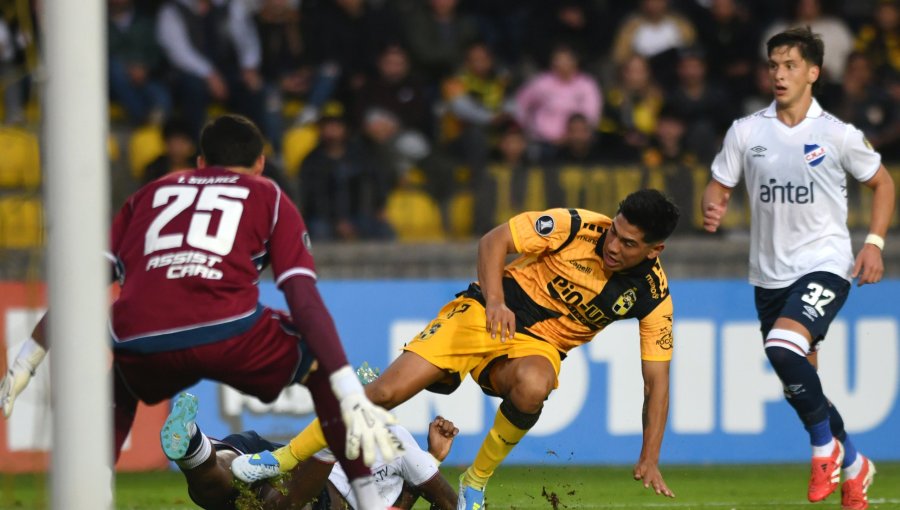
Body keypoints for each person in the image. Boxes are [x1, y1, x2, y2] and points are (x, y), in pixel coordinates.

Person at [0, 114, 401, 509]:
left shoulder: (148, 194)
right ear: (260, 164)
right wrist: (347, 384)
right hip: (228, 329)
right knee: (321, 373)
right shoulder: (269, 196)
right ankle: (367, 498)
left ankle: (96, 491)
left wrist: (25, 361)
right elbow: (301, 295)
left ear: (200, 164)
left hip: (142, 335)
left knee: (122, 379)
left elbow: (83, 286)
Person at [232, 188, 681, 509]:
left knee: (535, 385)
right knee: (386, 393)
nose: (613, 246)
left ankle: (475, 483)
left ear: (654, 249)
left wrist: (649, 455)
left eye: (628, 243)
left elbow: (656, 381)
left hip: (534, 347)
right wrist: (497, 302)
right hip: (483, 310)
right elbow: (493, 241)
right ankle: (281, 458)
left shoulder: (653, 295)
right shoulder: (575, 226)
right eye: (616, 232)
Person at [702, 27, 895, 510]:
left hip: (825, 264)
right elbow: (719, 183)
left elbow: (884, 184)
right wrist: (714, 204)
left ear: (813, 73)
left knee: (781, 346)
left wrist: (873, 243)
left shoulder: (837, 135)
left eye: (789, 66)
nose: (779, 75)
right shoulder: (747, 131)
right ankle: (855, 463)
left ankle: (823, 451)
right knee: (799, 383)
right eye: (773, 66)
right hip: (768, 275)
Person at [161, 391, 459, 509]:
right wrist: (431, 460)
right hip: (314, 490)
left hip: (274, 455)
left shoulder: (402, 458)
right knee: (271, 504)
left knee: (216, 489)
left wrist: (433, 457)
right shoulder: (400, 442)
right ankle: (329, 447)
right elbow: (450, 503)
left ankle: (192, 442)